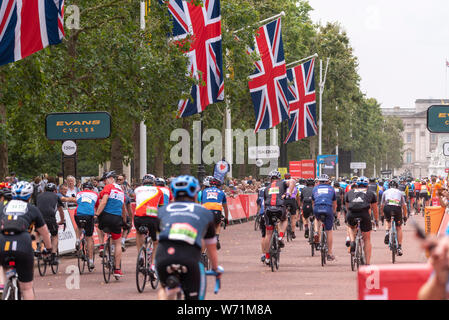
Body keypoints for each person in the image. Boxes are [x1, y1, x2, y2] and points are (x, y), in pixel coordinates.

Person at [155, 175, 221, 300]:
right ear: (196, 194)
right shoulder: (204, 212)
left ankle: (166, 293)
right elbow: (211, 247)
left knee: (164, 288)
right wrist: (215, 268)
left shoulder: (163, 210)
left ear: (173, 193)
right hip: (189, 257)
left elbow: (159, 236)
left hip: (164, 255)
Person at [0, 181, 53, 300]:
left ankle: (1, 286)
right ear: (30, 196)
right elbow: (44, 231)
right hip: (23, 243)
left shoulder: (2, 207)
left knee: (2, 265)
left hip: (2, 241)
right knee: (27, 288)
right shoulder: (32, 209)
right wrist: (49, 249)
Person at [95, 171, 127, 278]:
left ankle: (102, 245)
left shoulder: (108, 187)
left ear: (111, 179)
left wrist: (96, 214)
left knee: (98, 226)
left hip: (105, 216)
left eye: (105, 179)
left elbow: (103, 202)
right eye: (103, 180)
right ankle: (117, 269)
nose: (104, 182)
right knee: (118, 243)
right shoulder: (121, 190)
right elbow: (123, 208)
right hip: (117, 218)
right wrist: (124, 220)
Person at [262, 170, 295, 264]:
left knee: (268, 234)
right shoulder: (283, 183)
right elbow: (292, 181)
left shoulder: (266, 188)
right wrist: (288, 193)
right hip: (279, 208)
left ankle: (267, 257)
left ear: (270, 179)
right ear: (279, 178)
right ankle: (280, 236)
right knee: (284, 220)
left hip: (268, 209)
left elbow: (264, 203)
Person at [133, 174, 164, 274]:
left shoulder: (137, 189)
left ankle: (140, 254)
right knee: (156, 242)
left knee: (138, 233)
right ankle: (153, 266)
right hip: (152, 217)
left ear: (143, 183)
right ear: (154, 183)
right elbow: (161, 207)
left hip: (138, 217)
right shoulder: (159, 190)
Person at [345, 176, 378, 265]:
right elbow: (375, 209)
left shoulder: (349, 192)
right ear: (367, 185)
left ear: (356, 184)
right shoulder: (371, 193)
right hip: (364, 215)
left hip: (351, 214)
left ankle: (352, 242)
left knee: (351, 228)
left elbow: (347, 207)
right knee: (367, 239)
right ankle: (367, 263)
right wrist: (376, 220)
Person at [35, 183, 65, 265]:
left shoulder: (39, 196)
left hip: (39, 216)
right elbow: (60, 210)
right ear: (55, 190)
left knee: (38, 232)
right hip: (50, 217)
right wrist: (62, 220)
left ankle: (38, 247)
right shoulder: (56, 196)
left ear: (44, 190)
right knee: (54, 236)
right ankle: (53, 256)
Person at [74, 181, 99, 270]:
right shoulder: (95, 194)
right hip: (89, 215)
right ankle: (91, 260)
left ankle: (77, 240)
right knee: (89, 238)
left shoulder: (79, 193)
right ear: (92, 188)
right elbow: (96, 206)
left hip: (78, 214)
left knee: (79, 226)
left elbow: (78, 203)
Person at [312, 174, 337, 261]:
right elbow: (334, 204)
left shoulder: (315, 188)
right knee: (329, 231)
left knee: (317, 219)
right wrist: (334, 213)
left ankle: (316, 232)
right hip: (328, 208)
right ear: (328, 181)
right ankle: (329, 253)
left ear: (319, 181)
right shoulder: (331, 189)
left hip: (317, 208)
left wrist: (314, 210)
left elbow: (313, 201)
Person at [200, 177, 229, 250]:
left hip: (205, 211)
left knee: (204, 235)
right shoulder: (221, 192)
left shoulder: (204, 191)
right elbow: (225, 207)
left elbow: (201, 204)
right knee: (217, 224)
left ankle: (203, 255)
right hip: (216, 211)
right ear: (218, 186)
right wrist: (226, 218)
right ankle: (216, 237)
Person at [381, 180, 407, 256]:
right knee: (398, 227)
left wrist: (382, 215)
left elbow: (382, 205)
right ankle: (399, 247)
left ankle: (387, 232)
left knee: (388, 220)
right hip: (397, 208)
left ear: (389, 186)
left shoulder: (385, 192)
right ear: (397, 186)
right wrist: (405, 216)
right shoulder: (400, 192)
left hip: (387, 207)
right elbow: (404, 206)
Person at [283, 173, 299, 239]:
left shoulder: (283, 185)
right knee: (293, 218)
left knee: (284, 217)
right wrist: (298, 205)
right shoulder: (295, 187)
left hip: (285, 200)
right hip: (292, 201)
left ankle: (282, 232)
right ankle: (293, 232)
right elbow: (297, 197)